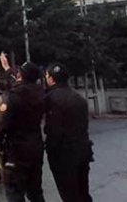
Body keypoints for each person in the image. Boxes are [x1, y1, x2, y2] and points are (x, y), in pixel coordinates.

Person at [0, 62, 45, 202]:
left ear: (22, 76)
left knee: (15, 191)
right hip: (35, 147)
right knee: (35, 191)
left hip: (16, 149)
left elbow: (4, 123)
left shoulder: (15, 96)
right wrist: (8, 69)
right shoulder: (41, 94)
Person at [44, 63, 93, 202]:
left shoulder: (51, 98)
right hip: (83, 149)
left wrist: (50, 149)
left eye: (47, 76)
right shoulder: (79, 98)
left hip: (63, 154)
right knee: (83, 192)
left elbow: (55, 130)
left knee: (69, 194)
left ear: (51, 79)